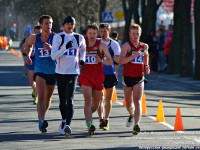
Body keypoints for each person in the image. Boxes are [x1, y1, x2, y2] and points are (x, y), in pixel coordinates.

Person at [51, 16, 86, 136]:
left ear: (74, 25)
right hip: (60, 72)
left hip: (73, 72)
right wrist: (65, 47)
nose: (70, 25)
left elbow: (83, 50)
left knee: (69, 99)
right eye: (67, 23)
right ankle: (63, 120)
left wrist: (82, 59)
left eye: (72, 23)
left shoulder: (79, 37)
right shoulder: (58, 37)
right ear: (63, 25)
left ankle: (67, 125)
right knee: (62, 101)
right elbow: (53, 56)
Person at [78, 23, 112, 135]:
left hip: (98, 76)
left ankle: (88, 115)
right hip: (86, 75)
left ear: (97, 34)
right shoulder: (82, 45)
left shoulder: (101, 45)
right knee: (87, 100)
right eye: (89, 33)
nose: (91, 35)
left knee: (96, 104)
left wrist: (101, 61)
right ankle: (89, 124)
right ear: (86, 34)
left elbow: (110, 61)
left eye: (94, 33)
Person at [26, 15, 56, 133]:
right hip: (39, 70)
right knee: (41, 96)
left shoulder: (56, 37)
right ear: (41, 25)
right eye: (46, 23)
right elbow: (28, 45)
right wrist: (28, 55)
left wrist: (52, 48)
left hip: (53, 71)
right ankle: (42, 120)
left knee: (48, 98)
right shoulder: (34, 37)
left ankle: (41, 115)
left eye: (50, 23)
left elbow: (61, 50)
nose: (49, 25)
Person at [119, 23, 150, 135]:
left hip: (139, 77)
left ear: (140, 34)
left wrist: (146, 65)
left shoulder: (144, 46)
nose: (135, 36)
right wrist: (134, 56)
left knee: (137, 101)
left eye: (137, 34)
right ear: (130, 34)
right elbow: (121, 61)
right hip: (127, 77)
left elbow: (146, 56)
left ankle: (136, 125)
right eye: (133, 34)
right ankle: (131, 115)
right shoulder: (126, 46)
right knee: (128, 104)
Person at [97, 23, 121, 131]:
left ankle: (106, 119)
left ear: (109, 31)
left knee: (108, 98)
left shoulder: (114, 44)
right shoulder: (97, 43)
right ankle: (101, 119)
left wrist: (116, 73)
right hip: (98, 73)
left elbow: (117, 61)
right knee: (99, 98)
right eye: (101, 31)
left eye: (105, 31)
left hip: (110, 73)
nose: (102, 34)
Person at [24, 25, 42, 104]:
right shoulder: (29, 39)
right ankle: (35, 90)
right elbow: (23, 49)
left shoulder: (44, 39)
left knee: (38, 80)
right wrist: (28, 52)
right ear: (33, 32)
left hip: (41, 61)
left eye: (39, 32)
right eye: (36, 32)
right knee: (31, 82)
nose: (37, 33)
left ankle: (36, 97)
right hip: (32, 60)